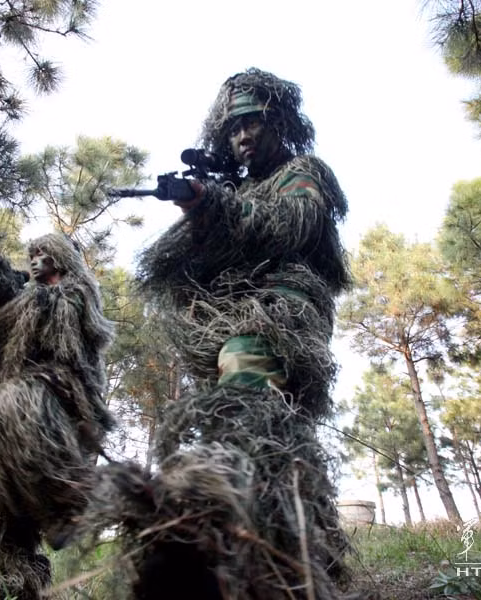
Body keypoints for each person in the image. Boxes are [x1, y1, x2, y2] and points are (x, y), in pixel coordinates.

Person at [95, 68, 353, 599]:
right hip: (236, 313)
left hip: (281, 310)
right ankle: (306, 560)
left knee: (244, 387)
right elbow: (185, 263)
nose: (243, 137)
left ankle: (234, 554)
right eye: (234, 129)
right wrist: (199, 207)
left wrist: (213, 203)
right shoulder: (237, 189)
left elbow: (292, 226)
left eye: (253, 122)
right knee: (279, 440)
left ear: (278, 121)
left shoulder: (303, 172)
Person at [0, 232, 114, 600]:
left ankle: (66, 503)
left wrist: (11, 290)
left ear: (61, 258)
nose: (35, 261)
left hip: (56, 397)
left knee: (7, 406)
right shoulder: (28, 292)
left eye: (43, 254)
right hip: (19, 409)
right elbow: (9, 301)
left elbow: (57, 321)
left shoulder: (76, 293)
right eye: (31, 255)